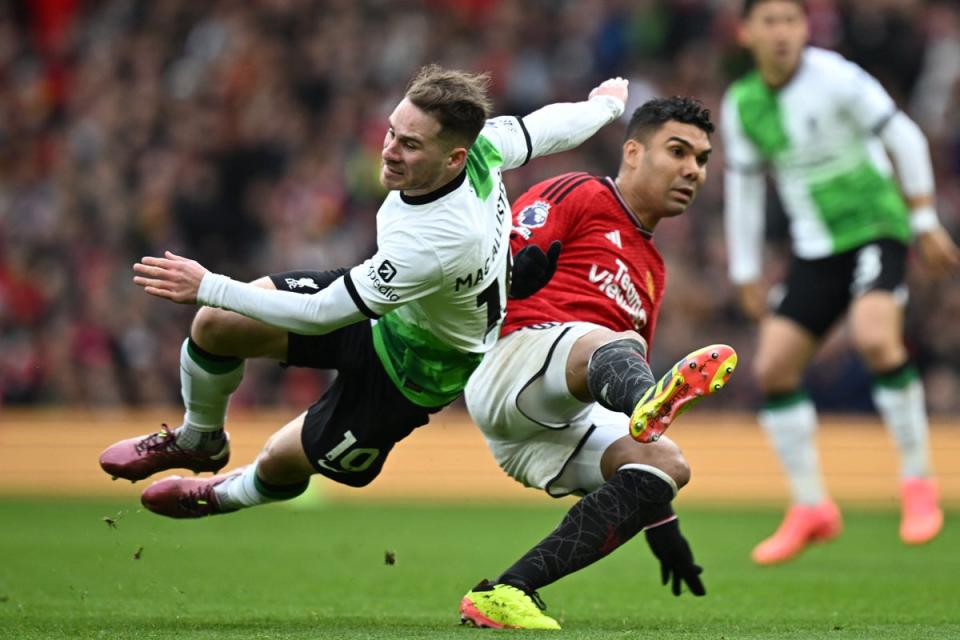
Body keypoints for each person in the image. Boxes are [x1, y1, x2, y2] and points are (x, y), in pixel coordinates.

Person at [99, 65, 631, 515]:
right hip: (391, 307)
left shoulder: (438, 240)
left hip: (417, 367)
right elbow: (542, 128)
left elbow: (321, 313)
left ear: (452, 158)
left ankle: (224, 495)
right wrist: (603, 106)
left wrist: (209, 284)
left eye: (410, 144)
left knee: (283, 460)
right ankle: (200, 439)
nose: (390, 151)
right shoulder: (481, 148)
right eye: (392, 132)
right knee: (216, 326)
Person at [457, 97, 737, 630]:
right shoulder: (581, 192)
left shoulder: (652, 269)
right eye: (678, 151)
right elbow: (502, 259)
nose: (692, 170)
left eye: (701, 159)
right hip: (511, 363)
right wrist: (520, 267)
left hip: (542, 426)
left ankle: (506, 592)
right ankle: (649, 398)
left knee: (666, 464)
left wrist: (662, 525)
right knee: (609, 344)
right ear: (633, 152)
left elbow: (623, 408)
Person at [722, 0, 960, 566]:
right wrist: (745, 270)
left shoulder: (836, 77)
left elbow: (902, 135)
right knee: (773, 368)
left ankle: (918, 483)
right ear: (745, 32)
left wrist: (924, 218)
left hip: (877, 225)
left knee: (876, 337)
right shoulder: (743, 104)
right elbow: (746, 192)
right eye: (770, 22)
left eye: (791, 21)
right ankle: (811, 507)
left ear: (805, 28)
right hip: (815, 247)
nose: (782, 32)